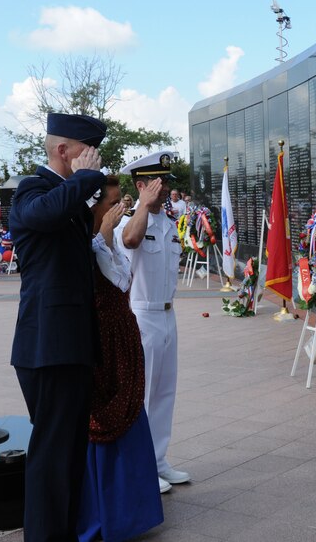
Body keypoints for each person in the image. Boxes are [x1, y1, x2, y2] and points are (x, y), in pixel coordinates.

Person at [10, 112, 107, 542]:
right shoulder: (34, 190)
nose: (96, 163)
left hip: (71, 344)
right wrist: (84, 181)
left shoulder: (67, 196)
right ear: (63, 151)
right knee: (51, 456)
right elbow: (46, 213)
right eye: (88, 154)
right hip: (47, 346)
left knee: (69, 456)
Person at [77, 176, 163, 542]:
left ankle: (135, 510)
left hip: (122, 339)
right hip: (101, 343)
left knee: (132, 411)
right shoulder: (84, 242)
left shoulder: (106, 242)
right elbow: (107, 280)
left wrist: (108, 235)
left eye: (120, 202)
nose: (120, 209)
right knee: (104, 415)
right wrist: (106, 234)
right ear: (95, 207)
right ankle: (104, 512)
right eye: (113, 203)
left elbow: (124, 278)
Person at [116, 151, 190, 492]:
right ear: (142, 185)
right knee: (142, 395)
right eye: (158, 184)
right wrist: (142, 206)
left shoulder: (169, 224)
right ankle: (142, 466)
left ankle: (159, 460)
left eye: (166, 184)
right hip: (142, 315)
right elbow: (129, 241)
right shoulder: (130, 222)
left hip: (168, 315)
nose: (165, 190)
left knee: (165, 393)